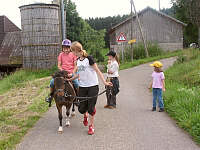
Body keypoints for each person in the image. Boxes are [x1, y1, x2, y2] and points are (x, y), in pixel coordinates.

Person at [68, 41, 112, 135]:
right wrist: (70, 79)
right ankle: (85, 115)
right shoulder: (78, 61)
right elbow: (79, 74)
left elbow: (97, 70)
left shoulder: (89, 59)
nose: (72, 53)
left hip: (93, 86)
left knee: (91, 107)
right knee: (81, 109)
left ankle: (91, 126)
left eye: (72, 51)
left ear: (76, 51)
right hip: (82, 87)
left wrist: (104, 82)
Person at [46, 39, 79, 105]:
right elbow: (59, 65)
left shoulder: (73, 55)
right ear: (62, 48)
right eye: (64, 48)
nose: (66, 50)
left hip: (71, 72)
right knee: (52, 82)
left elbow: (76, 66)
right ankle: (50, 96)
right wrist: (62, 71)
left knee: (76, 83)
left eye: (67, 48)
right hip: (62, 73)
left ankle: (77, 98)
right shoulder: (61, 55)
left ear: (70, 48)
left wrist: (72, 73)